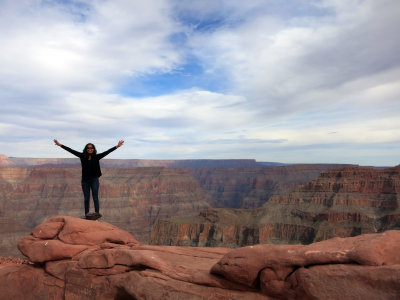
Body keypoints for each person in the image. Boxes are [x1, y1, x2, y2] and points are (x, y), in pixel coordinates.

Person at [54, 139, 124, 218]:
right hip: (85, 181)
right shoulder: (82, 156)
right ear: (86, 149)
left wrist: (117, 146)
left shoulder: (97, 156)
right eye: (88, 148)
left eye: (91, 148)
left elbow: (107, 152)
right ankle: (87, 215)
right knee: (86, 198)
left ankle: (97, 214)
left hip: (94, 180)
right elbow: (71, 150)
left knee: (95, 198)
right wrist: (60, 145)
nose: (90, 149)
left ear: (94, 149)